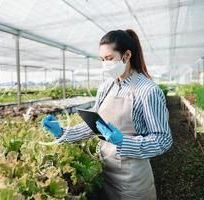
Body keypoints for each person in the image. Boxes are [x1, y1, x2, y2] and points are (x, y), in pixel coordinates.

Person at [42, 29, 173, 200]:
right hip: (106, 170)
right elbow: (95, 126)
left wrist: (123, 141)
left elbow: (163, 139)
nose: (105, 64)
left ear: (126, 55)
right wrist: (62, 132)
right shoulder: (105, 88)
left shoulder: (147, 90)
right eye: (102, 59)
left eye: (109, 58)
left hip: (133, 178)